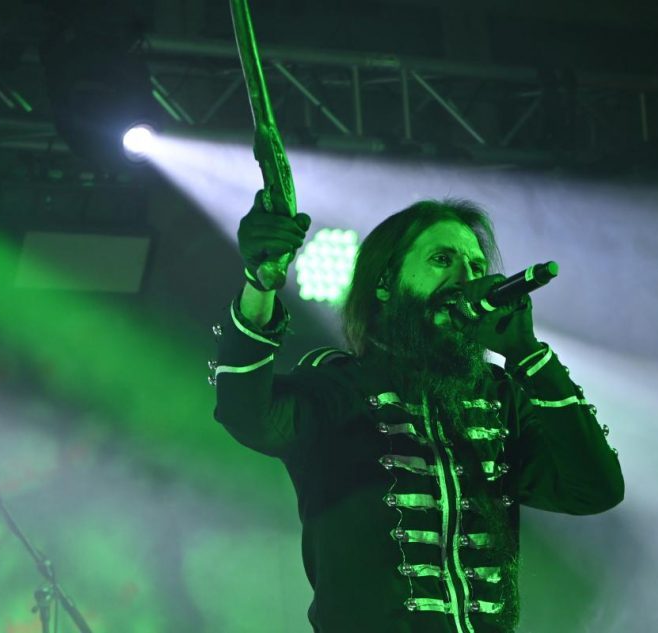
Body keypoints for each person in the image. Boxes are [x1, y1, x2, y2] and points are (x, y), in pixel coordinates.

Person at [211, 195, 624, 633]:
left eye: (476, 266)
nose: (465, 279)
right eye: (442, 259)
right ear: (385, 283)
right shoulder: (339, 385)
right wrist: (260, 283)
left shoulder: (500, 396)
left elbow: (594, 491)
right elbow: (248, 415)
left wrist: (528, 355)